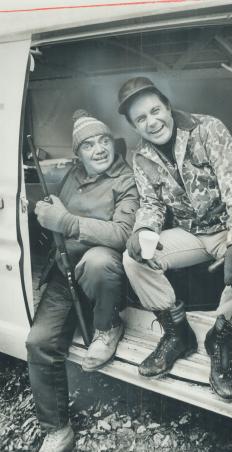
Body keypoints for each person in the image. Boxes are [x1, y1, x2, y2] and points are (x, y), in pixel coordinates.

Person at [118, 77, 232, 403]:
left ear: (167, 106)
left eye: (155, 110)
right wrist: (143, 229)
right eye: (141, 119)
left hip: (228, 230)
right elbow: (152, 204)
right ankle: (177, 333)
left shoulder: (207, 129)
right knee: (133, 259)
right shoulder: (141, 156)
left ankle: (221, 338)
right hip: (190, 233)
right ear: (134, 125)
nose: (152, 121)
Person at [26, 110, 139, 452]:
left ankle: (107, 327)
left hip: (105, 278)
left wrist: (67, 222)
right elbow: (54, 214)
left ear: (113, 143)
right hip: (66, 272)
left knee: (99, 260)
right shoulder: (71, 176)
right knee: (39, 343)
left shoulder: (127, 179)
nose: (99, 149)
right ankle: (57, 429)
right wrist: (47, 215)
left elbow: (122, 234)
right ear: (79, 153)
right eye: (89, 145)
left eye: (104, 140)